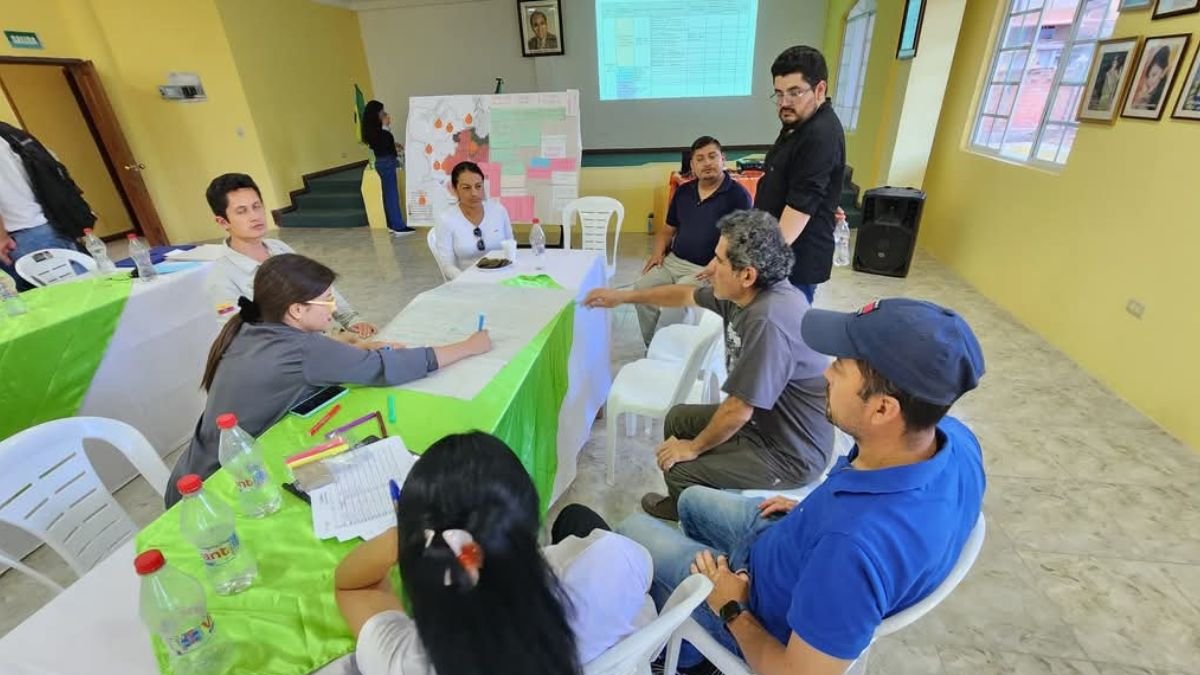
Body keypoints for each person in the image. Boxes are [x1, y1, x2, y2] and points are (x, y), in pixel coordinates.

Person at [616, 297, 986, 674]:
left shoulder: (852, 550)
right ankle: (701, 587)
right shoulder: (956, 442)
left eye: (841, 365)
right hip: (792, 545)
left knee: (629, 533)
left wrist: (732, 608)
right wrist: (815, 512)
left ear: (882, 409)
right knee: (690, 500)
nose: (826, 373)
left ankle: (693, 650)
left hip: (757, 613)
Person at [165, 254, 492, 506]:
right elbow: (387, 366)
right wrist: (467, 346)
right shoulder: (304, 349)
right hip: (219, 490)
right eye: (327, 301)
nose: (333, 308)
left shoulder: (246, 325)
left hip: (191, 471)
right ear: (295, 310)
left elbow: (310, 359)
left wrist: (356, 347)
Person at [334, 432, 655, 674]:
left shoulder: (404, 661)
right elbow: (642, 568)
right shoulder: (610, 564)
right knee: (577, 518)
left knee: (575, 519)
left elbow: (352, 585)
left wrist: (405, 537)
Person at [585, 210, 833, 521]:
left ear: (747, 274)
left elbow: (738, 409)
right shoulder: (744, 293)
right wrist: (626, 297)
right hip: (762, 422)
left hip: (790, 452)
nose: (710, 268)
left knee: (681, 468)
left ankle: (692, 512)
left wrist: (694, 449)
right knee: (678, 419)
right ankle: (687, 498)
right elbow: (683, 294)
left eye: (719, 260)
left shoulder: (768, 320)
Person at [204, 172, 377, 338]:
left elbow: (319, 287)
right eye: (242, 211)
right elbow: (242, 337)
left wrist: (350, 319)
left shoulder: (279, 248)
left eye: (256, 206)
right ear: (223, 222)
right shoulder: (222, 277)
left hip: (319, 339)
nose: (255, 216)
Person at [633, 136, 752, 346]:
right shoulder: (683, 192)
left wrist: (718, 264)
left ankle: (667, 355)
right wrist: (657, 253)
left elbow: (741, 241)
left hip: (706, 268)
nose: (707, 163)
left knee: (674, 302)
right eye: (700, 159)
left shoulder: (738, 196)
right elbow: (668, 230)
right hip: (673, 262)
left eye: (712, 156)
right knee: (641, 290)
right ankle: (655, 348)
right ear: (692, 166)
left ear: (723, 159)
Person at [752, 45, 846, 304]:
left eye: (795, 93)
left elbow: (800, 207)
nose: (784, 103)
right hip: (779, 249)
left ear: (820, 90)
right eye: (779, 94)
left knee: (786, 331)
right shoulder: (799, 122)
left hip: (794, 260)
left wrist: (759, 264)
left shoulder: (820, 134)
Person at [0, 124, 85, 292]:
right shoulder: (7, 132)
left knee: (65, 301)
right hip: (48, 224)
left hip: (20, 236)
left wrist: (0, 238)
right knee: (84, 289)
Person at [433, 161, 513, 279]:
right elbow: (447, 265)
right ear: (455, 189)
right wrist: (466, 280)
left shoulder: (498, 211)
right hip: (467, 282)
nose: (474, 193)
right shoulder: (446, 219)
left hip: (502, 278)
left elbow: (511, 248)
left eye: (478, 186)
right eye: (466, 188)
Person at [361, 100, 415, 235]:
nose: (386, 115)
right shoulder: (381, 131)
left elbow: (382, 144)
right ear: (377, 115)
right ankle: (398, 226)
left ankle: (391, 224)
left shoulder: (372, 131)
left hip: (381, 162)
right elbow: (386, 146)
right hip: (387, 162)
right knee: (391, 194)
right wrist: (386, 128)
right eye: (383, 113)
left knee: (387, 194)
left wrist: (393, 143)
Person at [1131, 46, 1171, 110]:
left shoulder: (1164, 95)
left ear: (1164, 72)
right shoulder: (1148, 95)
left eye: (1154, 75)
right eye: (1148, 77)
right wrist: (1139, 102)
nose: (1149, 81)